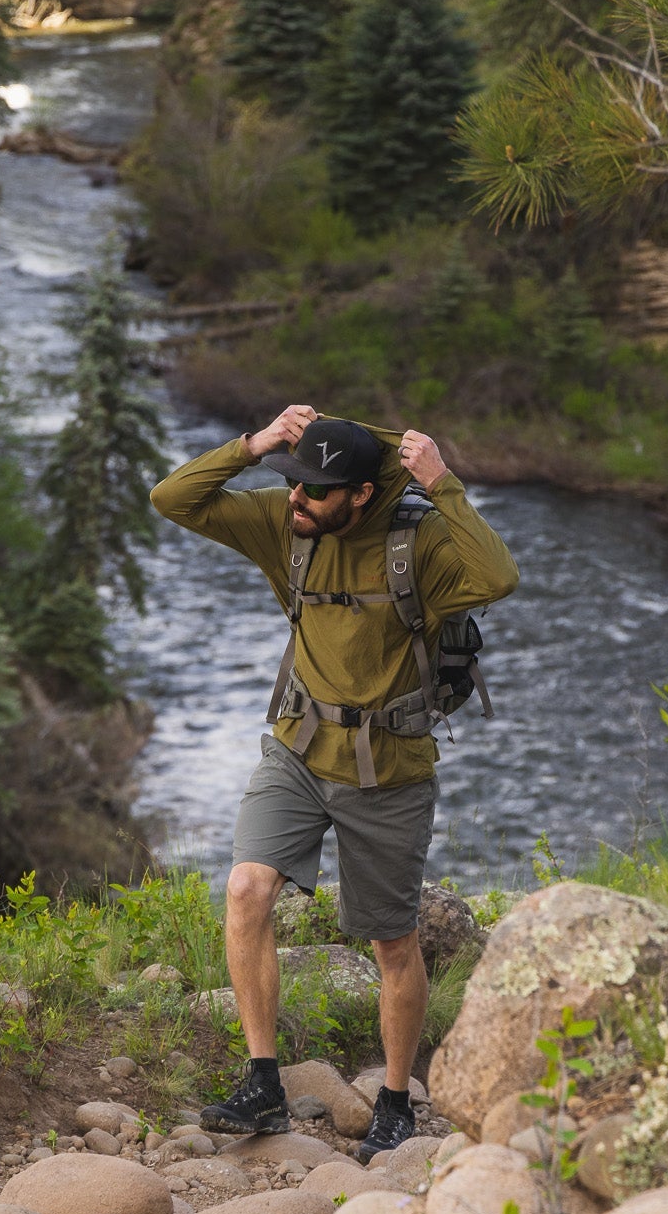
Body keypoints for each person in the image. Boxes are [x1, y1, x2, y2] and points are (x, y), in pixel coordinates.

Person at [149, 405, 519, 1162]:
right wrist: (256, 445)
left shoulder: (419, 546)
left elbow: (497, 576)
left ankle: (392, 1100)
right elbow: (173, 498)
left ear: (357, 494)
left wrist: (442, 483)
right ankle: (262, 1084)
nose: (295, 500)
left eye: (314, 491)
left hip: (389, 771)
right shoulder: (287, 527)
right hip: (296, 749)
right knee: (247, 890)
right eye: (293, 485)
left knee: (391, 941)